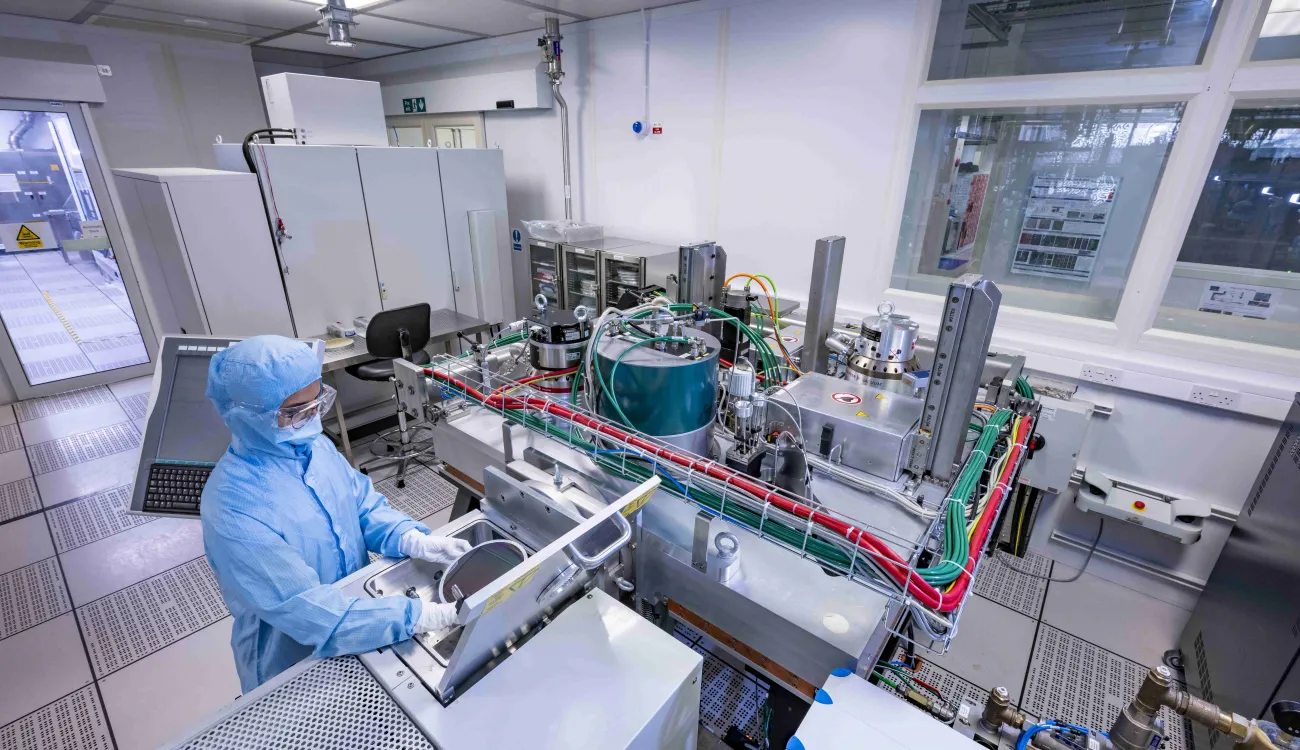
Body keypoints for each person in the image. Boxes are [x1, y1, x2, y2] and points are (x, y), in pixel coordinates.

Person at [200, 335, 470, 692]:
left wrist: (408, 536)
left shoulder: (314, 445)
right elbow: (311, 614)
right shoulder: (234, 508)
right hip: (295, 660)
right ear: (247, 416)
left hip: (360, 617)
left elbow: (360, 504)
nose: (312, 419)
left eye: (317, 403)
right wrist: (420, 616)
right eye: (297, 412)